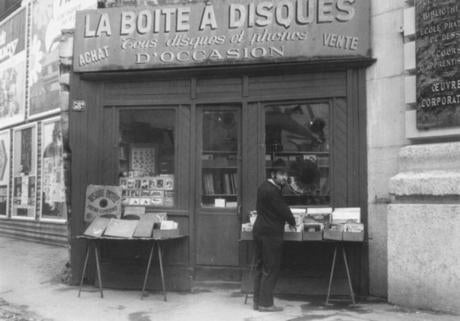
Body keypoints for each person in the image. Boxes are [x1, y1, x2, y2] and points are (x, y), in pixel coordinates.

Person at [252, 164, 296, 312]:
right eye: (281, 174)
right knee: (271, 267)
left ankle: (257, 302)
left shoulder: (263, 186)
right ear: (273, 175)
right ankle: (266, 304)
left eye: (286, 174)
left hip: (259, 229)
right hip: (270, 233)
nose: (284, 177)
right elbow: (283, 209)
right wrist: (293, 221)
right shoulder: (273, 191)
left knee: (260, 266)